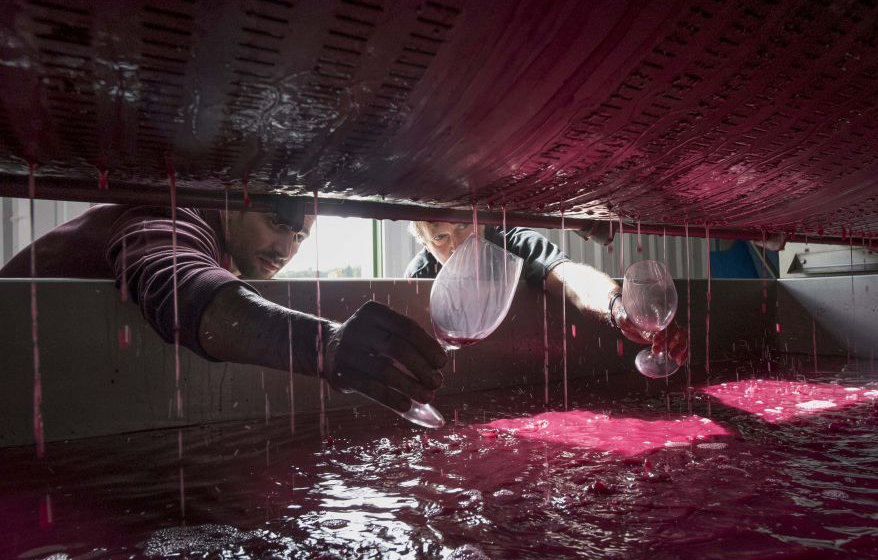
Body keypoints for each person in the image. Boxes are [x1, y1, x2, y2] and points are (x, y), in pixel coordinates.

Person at [0, 199, 446, 415]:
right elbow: (178, 284)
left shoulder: (221, 251)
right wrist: (326, 344)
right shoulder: (173, 210)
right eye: (278, 222)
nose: (286, 247)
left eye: (300, 236)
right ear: (232, 197)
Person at [405, 221, 689, 365]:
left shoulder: (515, 244)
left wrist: (619, 309)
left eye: (463, 225)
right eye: (440, 237)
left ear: (481, 219)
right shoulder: (421, 275)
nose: (458, 244)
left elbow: (570, 278)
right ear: (425, 243)